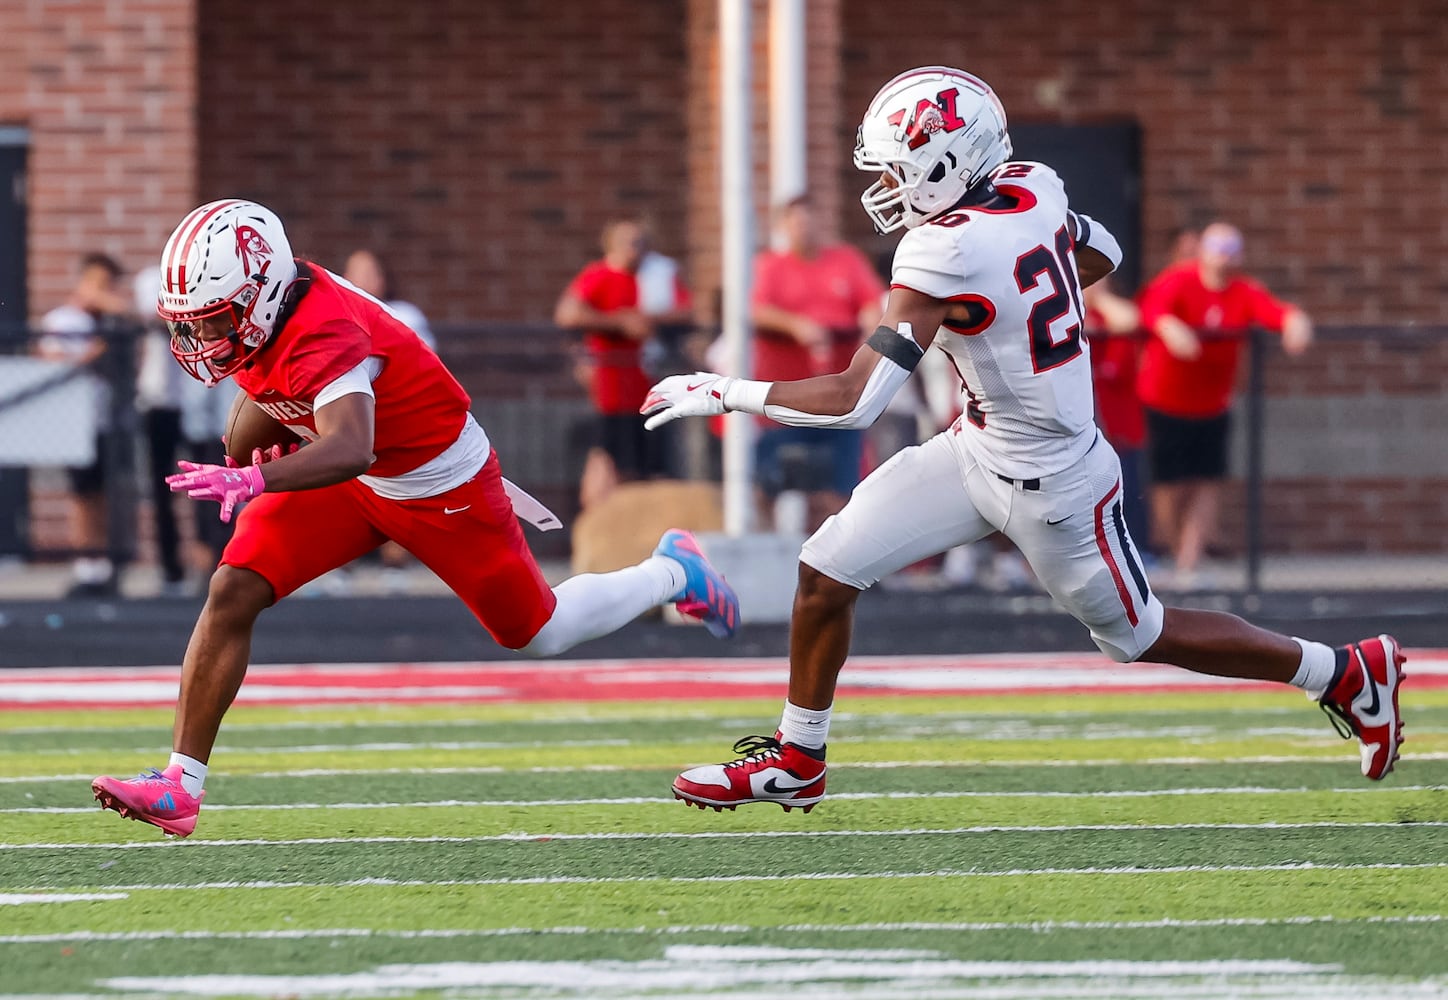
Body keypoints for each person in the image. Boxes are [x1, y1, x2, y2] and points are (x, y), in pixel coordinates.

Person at [641, 66, 1404, 813]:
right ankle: (799, 759)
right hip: (976, 447)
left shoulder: (942, 251)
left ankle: (1341, 671)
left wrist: (721, 392)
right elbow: (1099, 247)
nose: (887, 187)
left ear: (946, 161)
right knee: (825, 570)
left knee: (1142, 635)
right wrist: (1020, 305)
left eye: (898, 169)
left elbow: (853, 401)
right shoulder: (1034, 184)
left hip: (1057, 481)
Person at [90, 200, 739, 837]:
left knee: (538, 631)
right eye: (193, 323)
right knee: (234, 586)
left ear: (259, 293)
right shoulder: (273, 303)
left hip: (435, 483)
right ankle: (180, 783)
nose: (202, 339)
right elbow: (293, 420)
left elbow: (350, 445)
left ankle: (672, 572)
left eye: (215, 320)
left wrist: (255, 476)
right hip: (353, 479)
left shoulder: (322, 326)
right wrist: (257, 447)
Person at [1135, 222, 1313, 586]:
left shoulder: (1243, 291)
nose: (1221, 260)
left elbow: (1280, 313)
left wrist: (1297, 325)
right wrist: (1171, 329)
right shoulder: (1178, 280)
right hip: (1165, 401)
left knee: (1208, 481)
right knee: (1168, 482)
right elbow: (1153, 311)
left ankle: (1189, 560)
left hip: (1212, 404)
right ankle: (1169, 549)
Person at [750, 193, 885, 533]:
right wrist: (797, 326)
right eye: (796, 222)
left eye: (810, 221)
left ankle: (830, 558)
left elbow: (872, 302)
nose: (804, 229)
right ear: (783, 227)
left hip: (837, 396)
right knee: (768, 480)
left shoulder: (845, 261)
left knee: (837, 487)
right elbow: (754, 309)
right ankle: (772, 551)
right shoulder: (769, 266)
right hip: (786, 393)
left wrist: (870, 327)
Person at [554, 218, 692, 509]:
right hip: (613, 389)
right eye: (629, 243)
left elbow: (685, 311)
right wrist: (619, 323)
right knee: (610, 458)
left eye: (641, 243)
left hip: (650, 387)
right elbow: (569, 314)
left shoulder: (655, 278)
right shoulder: (600, 275)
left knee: (650, 466)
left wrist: (648, 321)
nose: (636, 250)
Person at [34, 252, 131, 596]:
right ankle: (85, 562)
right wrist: (94, 351)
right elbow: (53, 359)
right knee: (82, 493)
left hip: (103, 421)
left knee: (101, 493)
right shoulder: (64, 320)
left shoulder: (106, 322)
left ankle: (101, 560)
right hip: (74, 421)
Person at [1083, 278, 1149, 555]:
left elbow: (1132, 320)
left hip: (1118, 426)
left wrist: (1099, 297)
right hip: (1079, 428)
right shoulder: (1066, 313)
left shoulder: (1109, 313)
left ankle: (1133, 551)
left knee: (1126, 491)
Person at [342, 249, 435, 351]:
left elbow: (425, 357)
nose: (361, 281)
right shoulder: (338, 321)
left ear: (382, 279)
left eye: (368, 274)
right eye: (355, 273)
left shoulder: (405, 315)